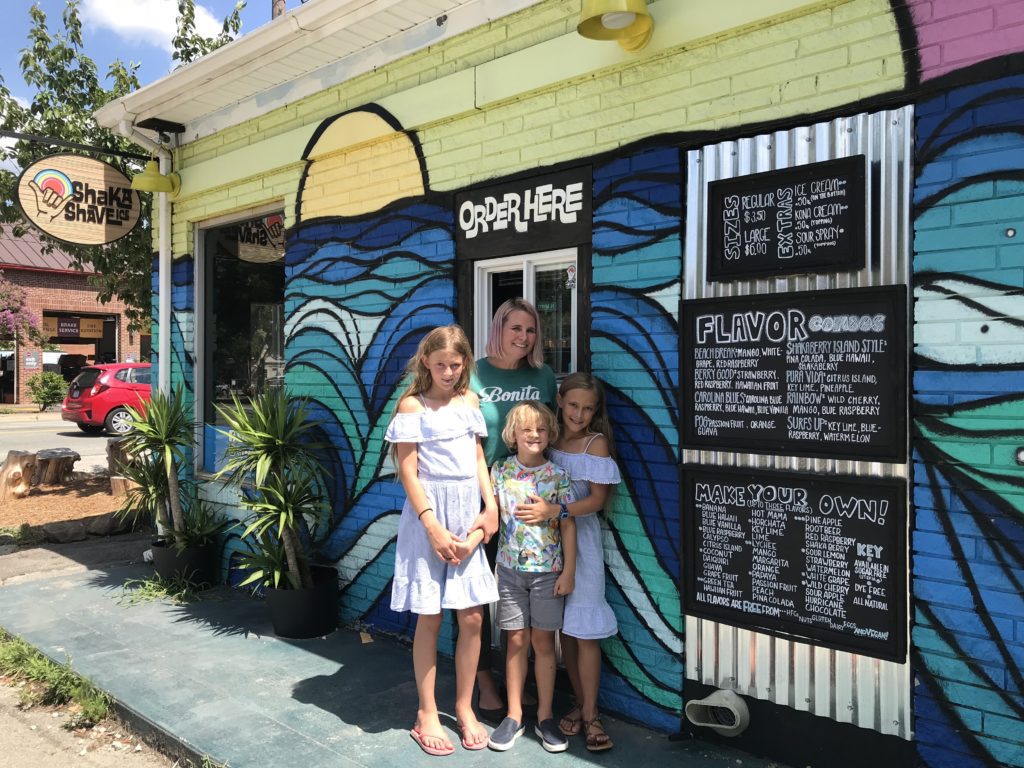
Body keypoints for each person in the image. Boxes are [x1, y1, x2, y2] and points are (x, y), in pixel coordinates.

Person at [384, 325, 500, 756]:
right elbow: (409, 472)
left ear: (465, 362)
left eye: (456, 364)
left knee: (471, 618)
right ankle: (427, 713)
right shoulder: (412, 405)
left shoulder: (470, 401)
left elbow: (476, 458)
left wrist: (490, 508)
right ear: (425, 363)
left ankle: (465, 708)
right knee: (430, 617)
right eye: (440, 365)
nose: (449, 372)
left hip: (468, 510)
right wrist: (431, 525)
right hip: (427, 516)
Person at [514, 373, 621, 752]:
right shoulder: (550, 439)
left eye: (588, 407)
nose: (580, 413)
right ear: (559, 401)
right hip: (546, 548)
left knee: (585, 632)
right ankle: (578, 702)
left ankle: (592, 714)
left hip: (583, 547)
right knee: (565, 632)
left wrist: (554, 510)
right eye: (573, 405)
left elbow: (596, 501)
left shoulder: (595, 444)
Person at [469, 297, 557, 719]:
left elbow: (549, 434)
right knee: (476, 592)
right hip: (480, 495)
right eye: (515, 328)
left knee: (518, 594)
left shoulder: (543, 376)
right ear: (498, 329)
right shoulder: (474, 373)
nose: (523, 337)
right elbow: (471, 442)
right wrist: (488, 504)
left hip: (527, 503)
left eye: (531, 329)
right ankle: (484, 678)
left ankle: (519, 684)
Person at [486, 401, 576, 753]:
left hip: (547, 573)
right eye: (527, 429)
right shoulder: (501, 471)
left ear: (549, 433)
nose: (534, 435)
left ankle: (546, 716)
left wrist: (568, 571)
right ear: (514, 435)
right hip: (509, 572)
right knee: (516, 642)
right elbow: (491, 514)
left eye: (540, 429)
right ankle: (512, 715)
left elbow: (568, 525)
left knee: (543, 645)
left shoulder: (557, 476)